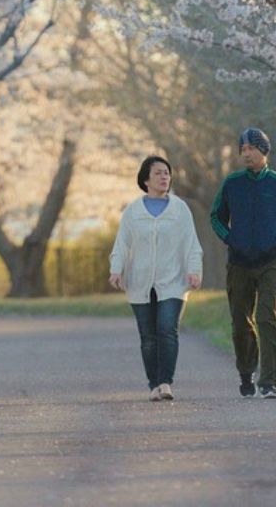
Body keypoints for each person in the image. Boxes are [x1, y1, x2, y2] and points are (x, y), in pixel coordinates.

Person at [210, 127, 276, 399]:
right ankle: (246, 371)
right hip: (239, 262)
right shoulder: (232, 184)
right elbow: (216, 216)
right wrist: (230, 239)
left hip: (270, 261)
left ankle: (269, 381)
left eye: (250, 148)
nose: (246, 153)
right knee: (240, 321)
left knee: (267, 317)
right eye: (243, 149)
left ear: (263, 150)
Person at [109, 155, 203, 401]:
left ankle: (166, 383)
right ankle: (153, 384)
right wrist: (115, 269)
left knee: (167, 329)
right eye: (159, 173)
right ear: (146, 179)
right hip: (139, 282)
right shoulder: (133, 211)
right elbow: (122, 244)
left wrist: (194, 270)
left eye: (167, 173)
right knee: (148, 336)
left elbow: (192, 243)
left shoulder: (179, 208)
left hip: (173, 280)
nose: (164, 177)